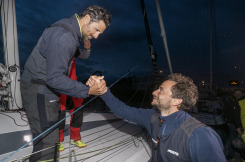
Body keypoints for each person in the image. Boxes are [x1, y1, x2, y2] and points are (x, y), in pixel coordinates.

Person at [20, 6, 111, 162]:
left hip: (43, 88)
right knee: (47, 142)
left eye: (99, 33)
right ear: (87, 18)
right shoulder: (65, 36)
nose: (96, 36)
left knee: (51, 139)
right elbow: (54, 78)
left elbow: (78, 54)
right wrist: (88, 90)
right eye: (96, 30)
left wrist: (87, 47)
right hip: (39, 89)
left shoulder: (69, 31)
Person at [88, 73, 226, 161]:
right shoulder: (152, 117)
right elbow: (122, 109)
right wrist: (103, 90)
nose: (154, 92)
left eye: (161, 90)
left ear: (176, 101)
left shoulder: (200, 135)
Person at [58, 58, 86, 152]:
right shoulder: (57, 49)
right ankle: (58, 140)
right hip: (59, 83)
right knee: (59, 110)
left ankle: (75, 138)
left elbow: (84, 55)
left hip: (72, 83)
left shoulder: (72, 49)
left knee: (78, 107)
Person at [223, 89, 245, 160]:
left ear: (243, 94)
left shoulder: (243, 102)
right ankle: (231, 155)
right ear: (233, 94)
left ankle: (241, 155)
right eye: (236, 93)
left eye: (239, 93)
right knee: (232, 140)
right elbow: (226, 111)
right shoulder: (231, 102)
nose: (238, 95)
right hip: (233, 125)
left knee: (242, 141)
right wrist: (228, 121)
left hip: (242, 125)